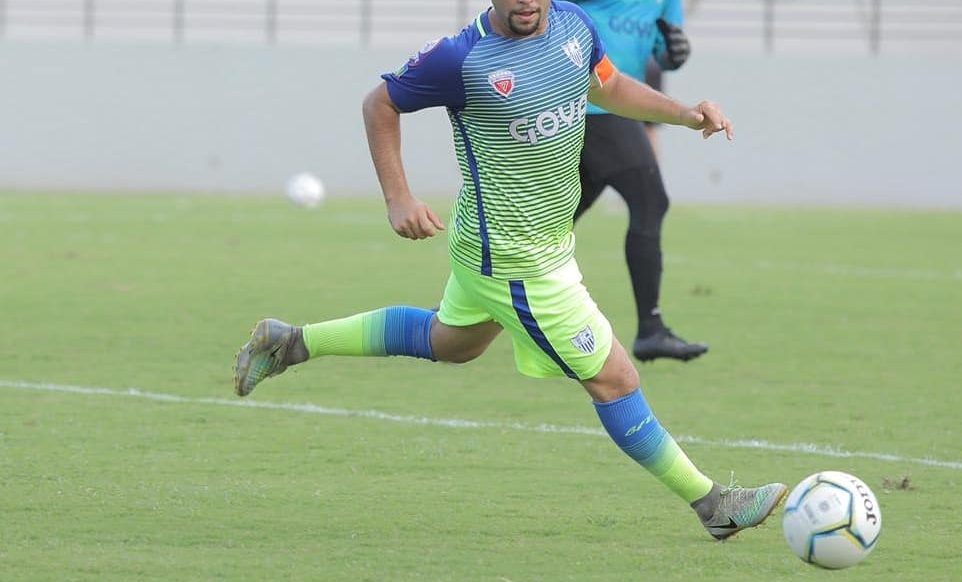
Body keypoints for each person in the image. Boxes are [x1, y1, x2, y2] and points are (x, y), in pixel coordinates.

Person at [233, 0, 785, 540]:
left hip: (520, 245)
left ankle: (292, 343)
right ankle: (713, 505)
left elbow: (609, 86)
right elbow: (380, 104)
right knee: (615, 378)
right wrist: (398, 197)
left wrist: (684, 114)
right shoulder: (460, 57)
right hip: (517, 264)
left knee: (451, 342)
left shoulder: (574, 24)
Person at [569, 0, 704, 363]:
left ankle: (476, 304)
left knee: (554, 220)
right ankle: (650, 329)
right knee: (650, 201)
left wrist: (674, 53)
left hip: (617, 107)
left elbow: (663, 51)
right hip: (588, 104)